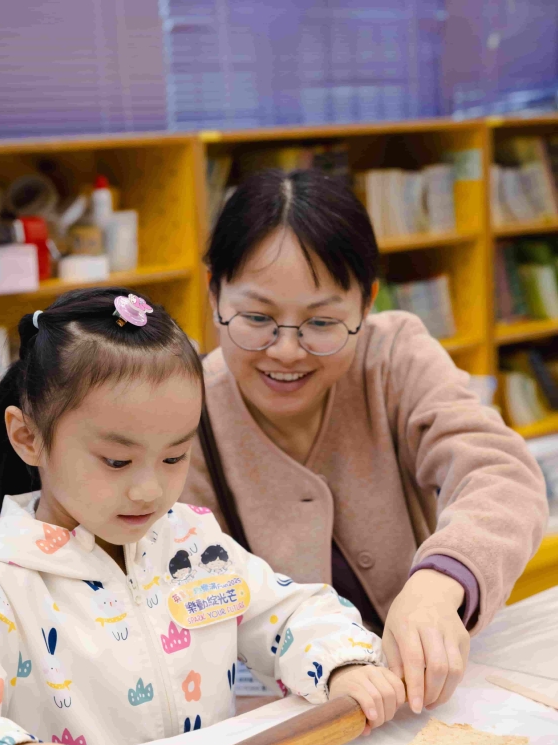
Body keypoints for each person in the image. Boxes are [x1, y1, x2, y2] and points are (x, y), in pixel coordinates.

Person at [0, 288, 406, 745]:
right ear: (28, 437)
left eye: (173, 456)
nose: (149, 489)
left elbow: (289, 611)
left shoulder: (190, 540)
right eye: (117, 461)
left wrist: (342, 664)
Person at [181, 169, 548, 716]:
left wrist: (440, 581)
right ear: (214, 293)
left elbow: (499, 472)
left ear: (367, 302)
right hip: (284, 716)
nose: (286, 351)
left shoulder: (392, 356)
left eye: (321, 322)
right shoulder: (184, 411)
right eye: (257, 318)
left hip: (424, 694)